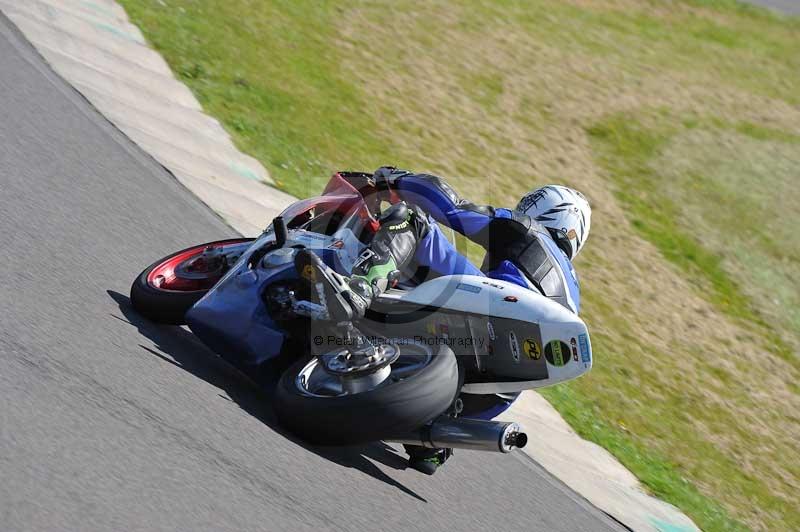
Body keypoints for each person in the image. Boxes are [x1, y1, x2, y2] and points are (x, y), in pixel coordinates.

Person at [294, 166, 592, 474]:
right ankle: (431, 440)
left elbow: (453, 208)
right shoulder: (571, 297)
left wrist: (396, 179)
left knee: (412, 219)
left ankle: (359, 288)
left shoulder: (529, 231)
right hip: (492, 394)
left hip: (487, 317)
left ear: (545, 212)